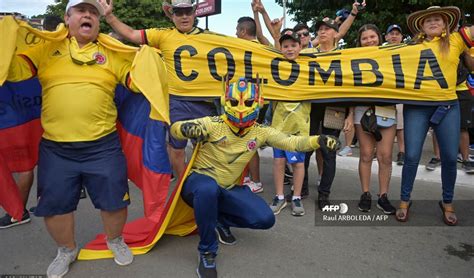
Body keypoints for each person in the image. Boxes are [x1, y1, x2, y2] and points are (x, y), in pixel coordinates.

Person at [5, 0, 144, 275]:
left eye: (93, 12)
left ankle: (115, 240)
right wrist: (7, 36)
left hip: (103, 146)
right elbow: (13, 71)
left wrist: (147, 57)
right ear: (67, 19)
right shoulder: (45, 48)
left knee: (115, 202)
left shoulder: (112, 52)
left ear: (98, 22)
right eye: (81, 10)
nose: (88, 15)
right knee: (55, 206)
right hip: (56, 149)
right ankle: (67, 250)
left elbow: (139, 84)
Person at [171, 77, 339, 278]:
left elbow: (292, 142)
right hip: (198, 184)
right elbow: (176, 128)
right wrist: (185, 129)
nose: (241, 108)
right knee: (208, 189)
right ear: (225, 101)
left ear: (258, 103)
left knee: (265, 219)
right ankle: (207, 250)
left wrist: (318, 140)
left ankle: (218, 220)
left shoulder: (260, 131)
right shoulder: (213, 124)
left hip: (228, 188)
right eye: (234, 102)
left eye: (248, 102)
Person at [101, 0, 219, 180]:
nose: (184, 16)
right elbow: (131, 34)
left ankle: (206, 185)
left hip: (203, 102)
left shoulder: (211, 37)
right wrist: (109, 17)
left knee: (204, 149)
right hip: (176, 104)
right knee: (177, 149)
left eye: (188, 11)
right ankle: (183, 187)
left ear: (195, 12)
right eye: (179, 12)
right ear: (172, 15)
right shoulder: (163, 35)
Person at [397, 6, 474, 225]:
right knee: (411, 155)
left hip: (447, 106)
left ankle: (447, 202)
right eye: (427, 19)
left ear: (446, 24)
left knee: (450, 156)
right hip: (416, 106)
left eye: (437, 19)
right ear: (420, 26)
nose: (432, 22)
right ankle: (404, 199)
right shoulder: (409, 47)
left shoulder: (457, 40)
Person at [0, 15, 64, 229]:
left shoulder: (31, 50)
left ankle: (19, 212)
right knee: (45, 160)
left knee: (27, 164)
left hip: (22, 114)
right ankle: (40, 204)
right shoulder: (49, 46)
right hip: (39, 111)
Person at [301, 16, 356, 209]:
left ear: (336, 34)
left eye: (327, 29)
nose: (322, 31)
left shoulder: (344, 57)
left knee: (329, 152)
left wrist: (350, 115)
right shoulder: (307, 54)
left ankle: (324, 195)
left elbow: (352, 88)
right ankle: (301, 188)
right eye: (320, 29)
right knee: (305, 149)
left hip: (334, 110)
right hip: (311, 108)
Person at [265, 29, 312, 216]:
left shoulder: (310, 65)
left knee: (298, 164)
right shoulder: (276, 66)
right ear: (280, 48)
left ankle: (297, 197)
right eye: (285, 46)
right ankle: (279, 196)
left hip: (300, 126)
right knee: (279, 161)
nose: (290, 49)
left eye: (293, 45)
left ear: (301, 47)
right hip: (279, 126)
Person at [353, 24, 397, 215]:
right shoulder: (352, 59)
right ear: (359, 42)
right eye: (365, 38)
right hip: (362, 110)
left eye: (372, 37)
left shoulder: (393, 55)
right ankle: (365, 194)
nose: (369, 40)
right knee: (365, 154)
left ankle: (383, 196)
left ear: (379, 38)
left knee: (385, 156)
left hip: (387, 109)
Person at [384, 24, 406, 165]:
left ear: (401, 37)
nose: (394, 36)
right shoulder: (380, 50)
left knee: (400, 125)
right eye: (391, 33)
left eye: (397, 34)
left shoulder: (407, 50)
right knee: (383, 123)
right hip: (385, 92)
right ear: (386, 36)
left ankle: (402, 152)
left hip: (401, 92)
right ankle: (381, 151)